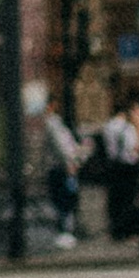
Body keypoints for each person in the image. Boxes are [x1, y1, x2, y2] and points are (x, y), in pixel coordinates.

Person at [38, 93, 84, 246]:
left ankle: (65, 231)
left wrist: (70, 160)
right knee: (65, 200)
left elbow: (62, 147)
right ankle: (65, 231)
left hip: (60, 167)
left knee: (63, 200)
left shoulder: (52, 123)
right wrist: (71, 161)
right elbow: (62, 147)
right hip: (62, 168)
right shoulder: (54, 123)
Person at [100, 100, 139, 243]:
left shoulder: (108, 126)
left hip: (113, 164)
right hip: (128, 166)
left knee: (116, 199)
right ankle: (128, 230)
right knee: (129, 198)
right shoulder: (127, 128)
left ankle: (117, 230)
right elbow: (134, 148)